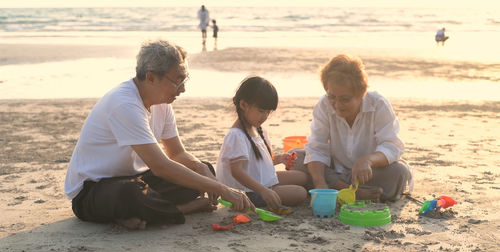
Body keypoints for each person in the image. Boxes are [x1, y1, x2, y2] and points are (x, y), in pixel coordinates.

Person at [65, 40, 254, 230]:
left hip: (138, 177)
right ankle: (182, 209)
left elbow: (177, 154)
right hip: (94, 190)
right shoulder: (125, 104)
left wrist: (200, 169)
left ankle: (138, 214)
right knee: (130, 193)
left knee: (203, 170)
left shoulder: (162, 103)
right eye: (177, 81)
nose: (183, 89)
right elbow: (161, 166)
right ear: (151, 77)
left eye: (184, 80)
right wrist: (222, 189)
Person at [290, 54, 412, 202]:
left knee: (399, 173)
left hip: (369, 173)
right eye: (332, 97)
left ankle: (341, 190)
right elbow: (317, 147)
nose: (337, 104)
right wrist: (320, 183)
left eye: (345, 99)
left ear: (361, 94)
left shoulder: (378, 104)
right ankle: (353, 192)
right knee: (295, 157)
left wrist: (368, 160)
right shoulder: (324, 105)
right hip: (335, 170)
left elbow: (392, 146)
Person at [216, 76, 308, 211]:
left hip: (261, 181)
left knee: (303, 177)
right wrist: (264, 191)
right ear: (243, 105)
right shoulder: (236, 135)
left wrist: (279, 159)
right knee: (300, 193)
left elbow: (259, 162)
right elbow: (237, 171)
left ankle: (272, 190)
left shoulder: (259, 130)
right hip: (246, 192)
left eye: (268, 112)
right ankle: (269, 194)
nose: (264, 116)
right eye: (261, 111)